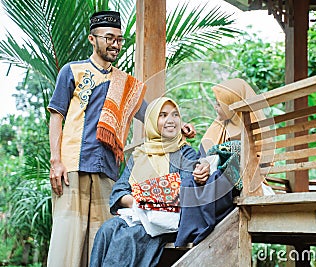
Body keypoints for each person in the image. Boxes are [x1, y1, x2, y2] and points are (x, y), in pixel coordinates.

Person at [47, 11, 195, 267]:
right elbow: (56, 117)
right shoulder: (71, 71)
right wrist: (56, 160)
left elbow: (152, 114)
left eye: (119, 39)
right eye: (109, 38)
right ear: (92, 39)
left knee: (101, 238)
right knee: (67, 240)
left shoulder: (125, 84)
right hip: (72, 164)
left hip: (107, 169)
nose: (115, 44)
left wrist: (179, 125)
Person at [90, 97, 199, 267]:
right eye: (163, 115)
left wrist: (148, 202)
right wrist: (140, 203)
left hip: (166, 222)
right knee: (107, 230)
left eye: (175, 115)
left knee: (128, 237)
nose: (170, 120)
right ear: (153, 122)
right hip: (137, 215)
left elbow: (185, 188)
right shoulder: (140, 155)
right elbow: (119, 190)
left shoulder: (186, 154)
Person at [175, 78, 268, 247]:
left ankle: (203, 229)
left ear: (233, 105)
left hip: (241, 181)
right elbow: (202, 158)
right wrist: (200, 170)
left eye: (219, 104)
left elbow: (260, 164)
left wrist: (231, 156)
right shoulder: (216, 126)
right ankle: (187, 234)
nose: (215, 107)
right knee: (189, 181)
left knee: (220, 177)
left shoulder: (254, 126)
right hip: (212, 178)